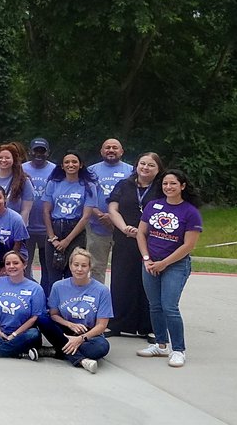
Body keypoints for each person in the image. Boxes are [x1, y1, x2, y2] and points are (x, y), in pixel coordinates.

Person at [135, 170, 203, 368]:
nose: (168, 187)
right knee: (154, 305)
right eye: (165, 183)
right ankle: (161, 344)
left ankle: (178, 350)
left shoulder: (190, 212)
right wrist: (147, 259)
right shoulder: (152, 206)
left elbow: (188, 245)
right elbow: (141, 233)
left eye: (173, 184)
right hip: (150, 263)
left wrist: (164, 263)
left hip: (175, 265)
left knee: (169, 307)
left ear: (182, 186)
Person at [106, 152, 163, 338]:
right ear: (136, 165)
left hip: (152, 240)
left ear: (158, 169)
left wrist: (143, 231)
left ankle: (149, 326)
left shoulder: (162, 188)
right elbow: (112, 209)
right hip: (125, 238)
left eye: (151, 165)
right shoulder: (124, 185)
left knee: (147, 281)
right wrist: (124, 228)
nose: (145, 168)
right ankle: (118, 323)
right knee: (122, 280)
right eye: (142, 163)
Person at [38, 248, 112, 373]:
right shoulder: (58, 286)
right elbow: (54, 314)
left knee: (102, 347)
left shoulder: (102, 291)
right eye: (76, 265)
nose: (79, 269)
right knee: (42, 319)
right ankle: (81, 360)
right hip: (64, 329)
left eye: (84, 265)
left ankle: (56, 351)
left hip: (88, 333)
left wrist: (81, 339)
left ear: (89, 268)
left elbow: (102, 325)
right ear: (70, 266)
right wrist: (70, 324)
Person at [41, 151, 96, 290]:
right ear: (62, 166)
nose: (71, 165)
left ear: (81, 165)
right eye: (67, 162)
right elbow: (46, 212)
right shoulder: (53, 184)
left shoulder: (89, 186)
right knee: (52, 274)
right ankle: (52, 309)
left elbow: (86, 217)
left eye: (74, 162)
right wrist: (52, 238)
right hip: (55, 228)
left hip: (75, 230)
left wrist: (67, 240)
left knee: (73, 272)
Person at [86, 138, 134, 282]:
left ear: (121, 151)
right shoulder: (91, 171)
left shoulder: (131, 171)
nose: (111, 150)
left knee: (124, 267)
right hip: (96, 227)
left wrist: (113, 217)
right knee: (96, 267)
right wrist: (101, 215)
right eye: (107, 147)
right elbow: (85, 197)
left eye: (115, 147)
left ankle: (120, 300)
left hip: (122, 227)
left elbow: (133, 198)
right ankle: (99, 300)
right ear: (101, 151)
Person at [21, 138, 57, 280]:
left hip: (47, 227)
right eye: (36, 150)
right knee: (24, 264)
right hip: (26, 226)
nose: (39, 154)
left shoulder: (55, 170)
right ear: (30, 151)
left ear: (48, 152)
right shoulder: (21, 168)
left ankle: (45, 295)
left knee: (47, 265)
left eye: (42, 151)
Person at [0, 143, 35, 225]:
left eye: (7, 158)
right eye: (0, 157)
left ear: (14, 160)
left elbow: (25, 210)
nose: (3, 160)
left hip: (12, 225)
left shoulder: (23, 180)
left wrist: (21, 229)